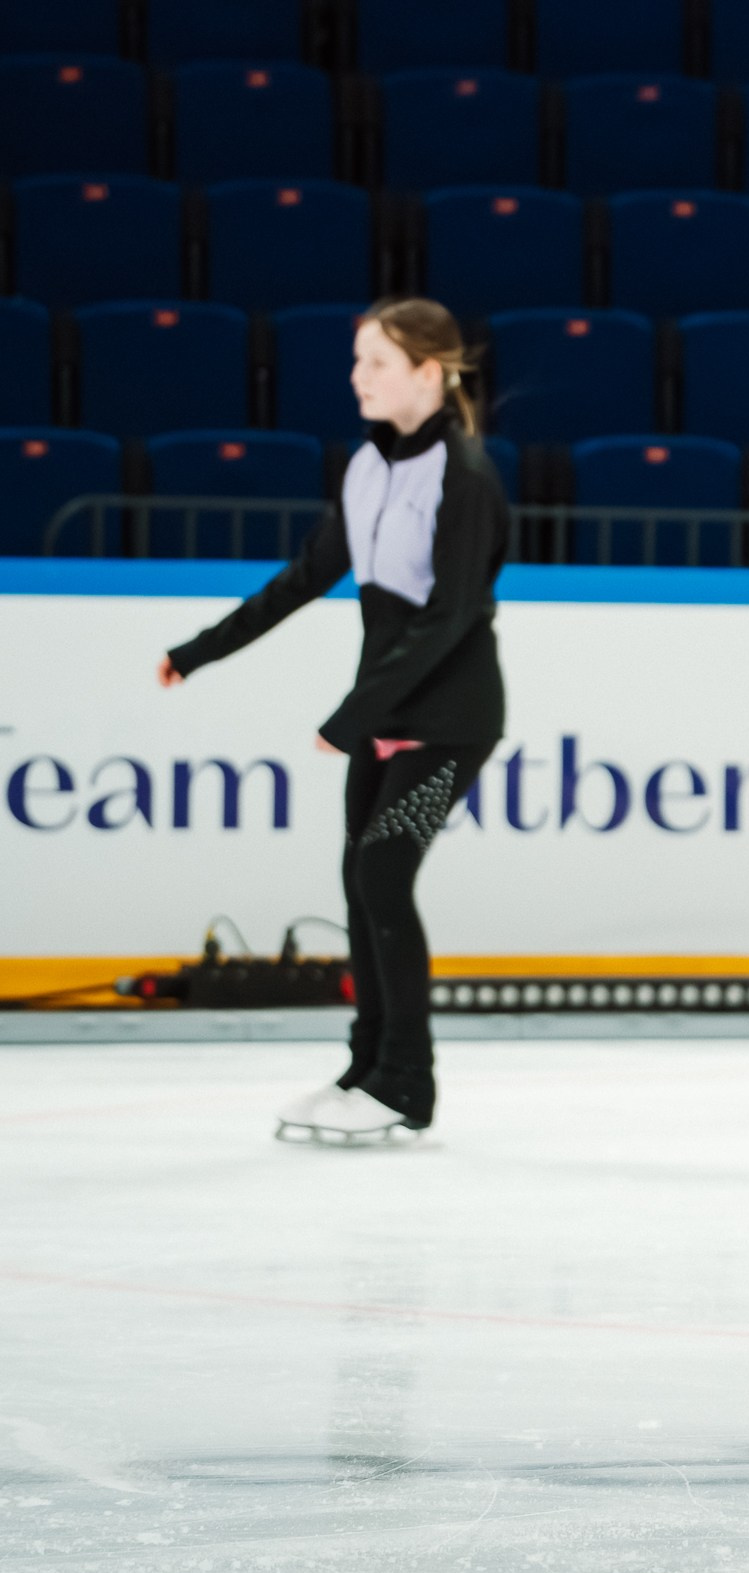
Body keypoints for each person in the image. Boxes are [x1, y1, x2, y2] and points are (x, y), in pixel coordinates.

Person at [157, 298, 509, 1145]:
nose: (359, 377)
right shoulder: (366, 467)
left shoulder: (465, 475)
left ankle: (406, 1083)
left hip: (451, 721)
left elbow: (450, 616)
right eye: (358, 361)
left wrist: (354, 715)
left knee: (383, 874)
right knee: (360, 879)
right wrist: (199, 651)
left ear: (428, 371)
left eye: (376, 362)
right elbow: (303, 577)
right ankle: (366, 1069)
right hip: (386, 711)